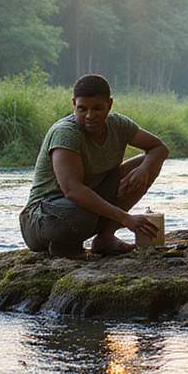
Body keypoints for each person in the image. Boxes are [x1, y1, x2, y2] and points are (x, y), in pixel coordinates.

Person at [19, 74, 167, 258]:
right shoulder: (65, 134)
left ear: (109, 105)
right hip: (42, 217)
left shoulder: (119, 125)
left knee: (146, 162)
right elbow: (72, 190)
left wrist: (145, 169)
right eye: (82, 109)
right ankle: (64, 246)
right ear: (74, 104)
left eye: (98, 108)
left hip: (83, 208)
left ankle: (105, 238)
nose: (90, 116)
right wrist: (125, 218)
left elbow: (160, 148)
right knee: (82, 212)